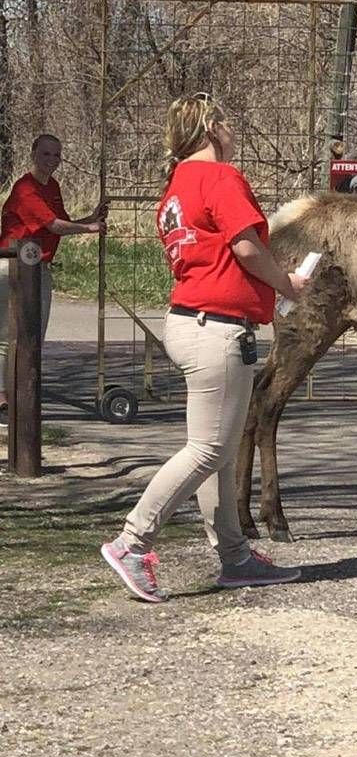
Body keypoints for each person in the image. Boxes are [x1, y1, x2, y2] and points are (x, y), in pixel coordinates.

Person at [100, 92, 309, 603]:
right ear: (213, 127)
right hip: (217, 329)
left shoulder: (175, 188)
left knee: (215, 446)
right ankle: (133, 539)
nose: (234, 133)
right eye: (229, 123)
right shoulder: (220, 178)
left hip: (191, 322)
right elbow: (244, 245)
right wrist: (286, 284)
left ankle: (235, 558)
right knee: (210, 447)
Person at [0, 134, 107, 422]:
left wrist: (90, 218)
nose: (52, 160)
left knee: (33, 336)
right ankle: (4, 397)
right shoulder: (26, 189)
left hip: (39, 268)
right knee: (8, 336)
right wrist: (89, 229)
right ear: (33, 153)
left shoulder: (53, 187)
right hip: (13, 266)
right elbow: (54, 226)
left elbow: (63, 221)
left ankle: (21, 393)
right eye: (46, 154)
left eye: (56, 155)